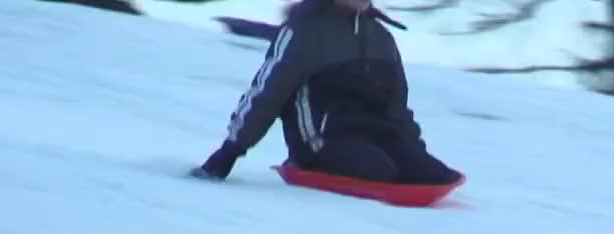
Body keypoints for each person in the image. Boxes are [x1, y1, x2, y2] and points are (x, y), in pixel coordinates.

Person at [191, 0, 461, 185]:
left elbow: (397, 108)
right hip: (320, 142)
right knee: (379, 170)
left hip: (374, 138)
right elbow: (267, 94)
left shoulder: (381, 38)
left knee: (435, 176)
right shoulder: (304, 32)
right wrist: (231, 150)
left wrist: (414, 152)